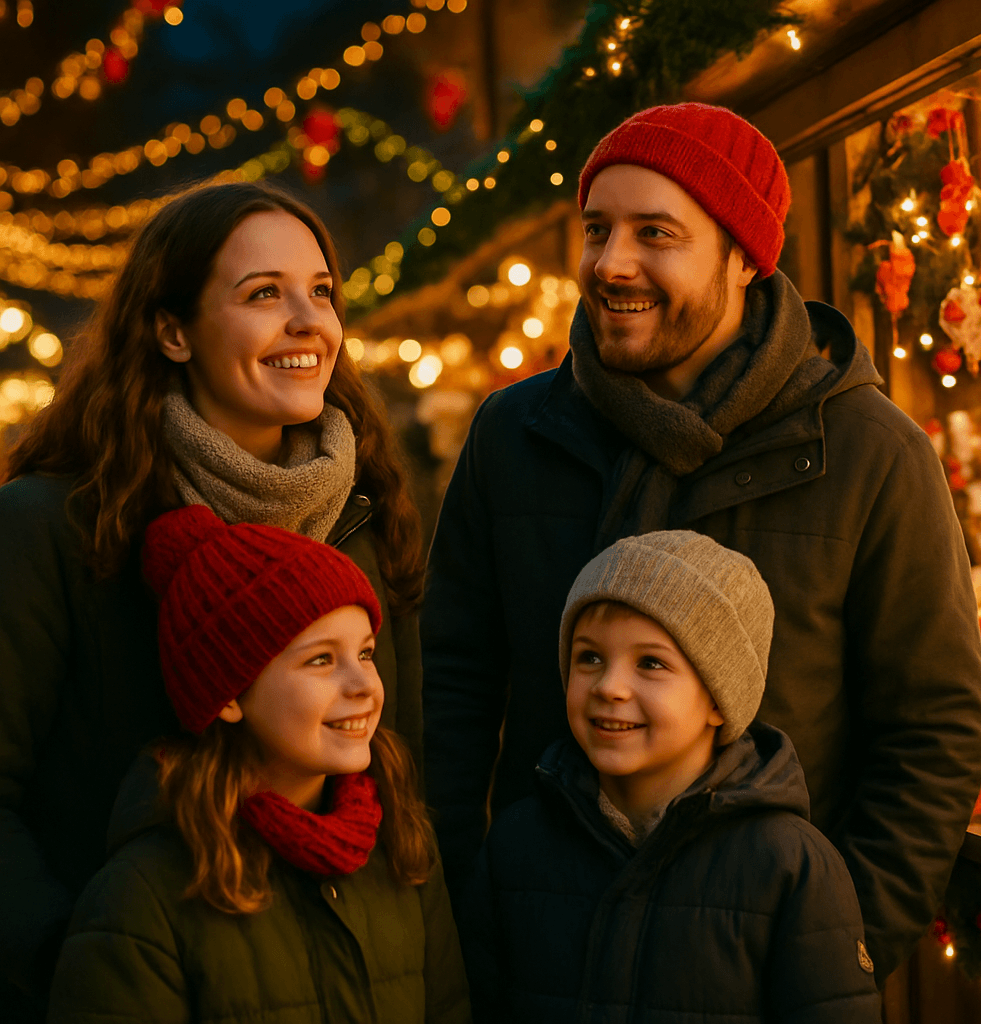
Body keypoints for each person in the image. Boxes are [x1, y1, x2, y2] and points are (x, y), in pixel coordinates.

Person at [422, 102, 981, 982]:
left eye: (657, 233)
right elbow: (451, 686)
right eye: (597, 229)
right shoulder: (513, 436)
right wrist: (465, 910)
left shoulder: (871, 451)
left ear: (743, 256)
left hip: (765, 970)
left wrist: (845, 942)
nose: (612, 263)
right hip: (543, 962)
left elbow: (933, 728)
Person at [0, 182, 423, 1021]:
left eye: (322, 292)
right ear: (171, 331)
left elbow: (405, 773)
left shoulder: (362, 518)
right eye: (263, 293)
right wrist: (74, 966)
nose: (309, 320)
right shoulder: (52, 528)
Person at [47, 505, 469, 1024]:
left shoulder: (402, 849)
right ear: (229, 694)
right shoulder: (143, 898)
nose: (364, 686)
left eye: (365, 653)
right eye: (320, 660)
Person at [460, 531, 881, 1023]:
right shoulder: (516, 846)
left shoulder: (790, 868)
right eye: (589, 656)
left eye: (651, 663)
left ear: (720, 701)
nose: (610, 686)